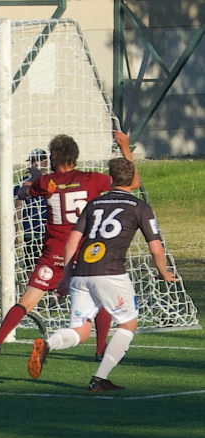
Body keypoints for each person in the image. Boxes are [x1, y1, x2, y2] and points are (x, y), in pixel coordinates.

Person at [0, 131, 134, 369]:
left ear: (54, 158)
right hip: (84, 253)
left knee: (26, 301)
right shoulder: (91, 179)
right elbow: (129, 182)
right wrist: (125, 148)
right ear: (75, 156)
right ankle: (100, 350)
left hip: (53, 254)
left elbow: (23, 193)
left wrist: (35, 178)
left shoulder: (47, 182)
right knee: (100, 300)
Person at [28, 158, 177, 390]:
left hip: (82, 272)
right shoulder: (139, 206)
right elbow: (156, 248)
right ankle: (99, 378)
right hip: (111, 273)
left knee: (81, 331)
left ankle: (48, 344)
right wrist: (164, 272)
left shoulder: (94, 203)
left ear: (111, 179)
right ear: (133, 179)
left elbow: (72, 241)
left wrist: (67, 276)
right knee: (127, 324)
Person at [16, 149, 50, 275]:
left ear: (46, 163)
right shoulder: (23, 183)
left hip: (49, 230)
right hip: (31, 229)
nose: (35, 164)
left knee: (49, 264)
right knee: (31, 264)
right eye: (33, 161)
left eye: (39, 161)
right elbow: (18, 207)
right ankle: (29, 283)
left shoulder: (51, 181)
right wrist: (15, 231)